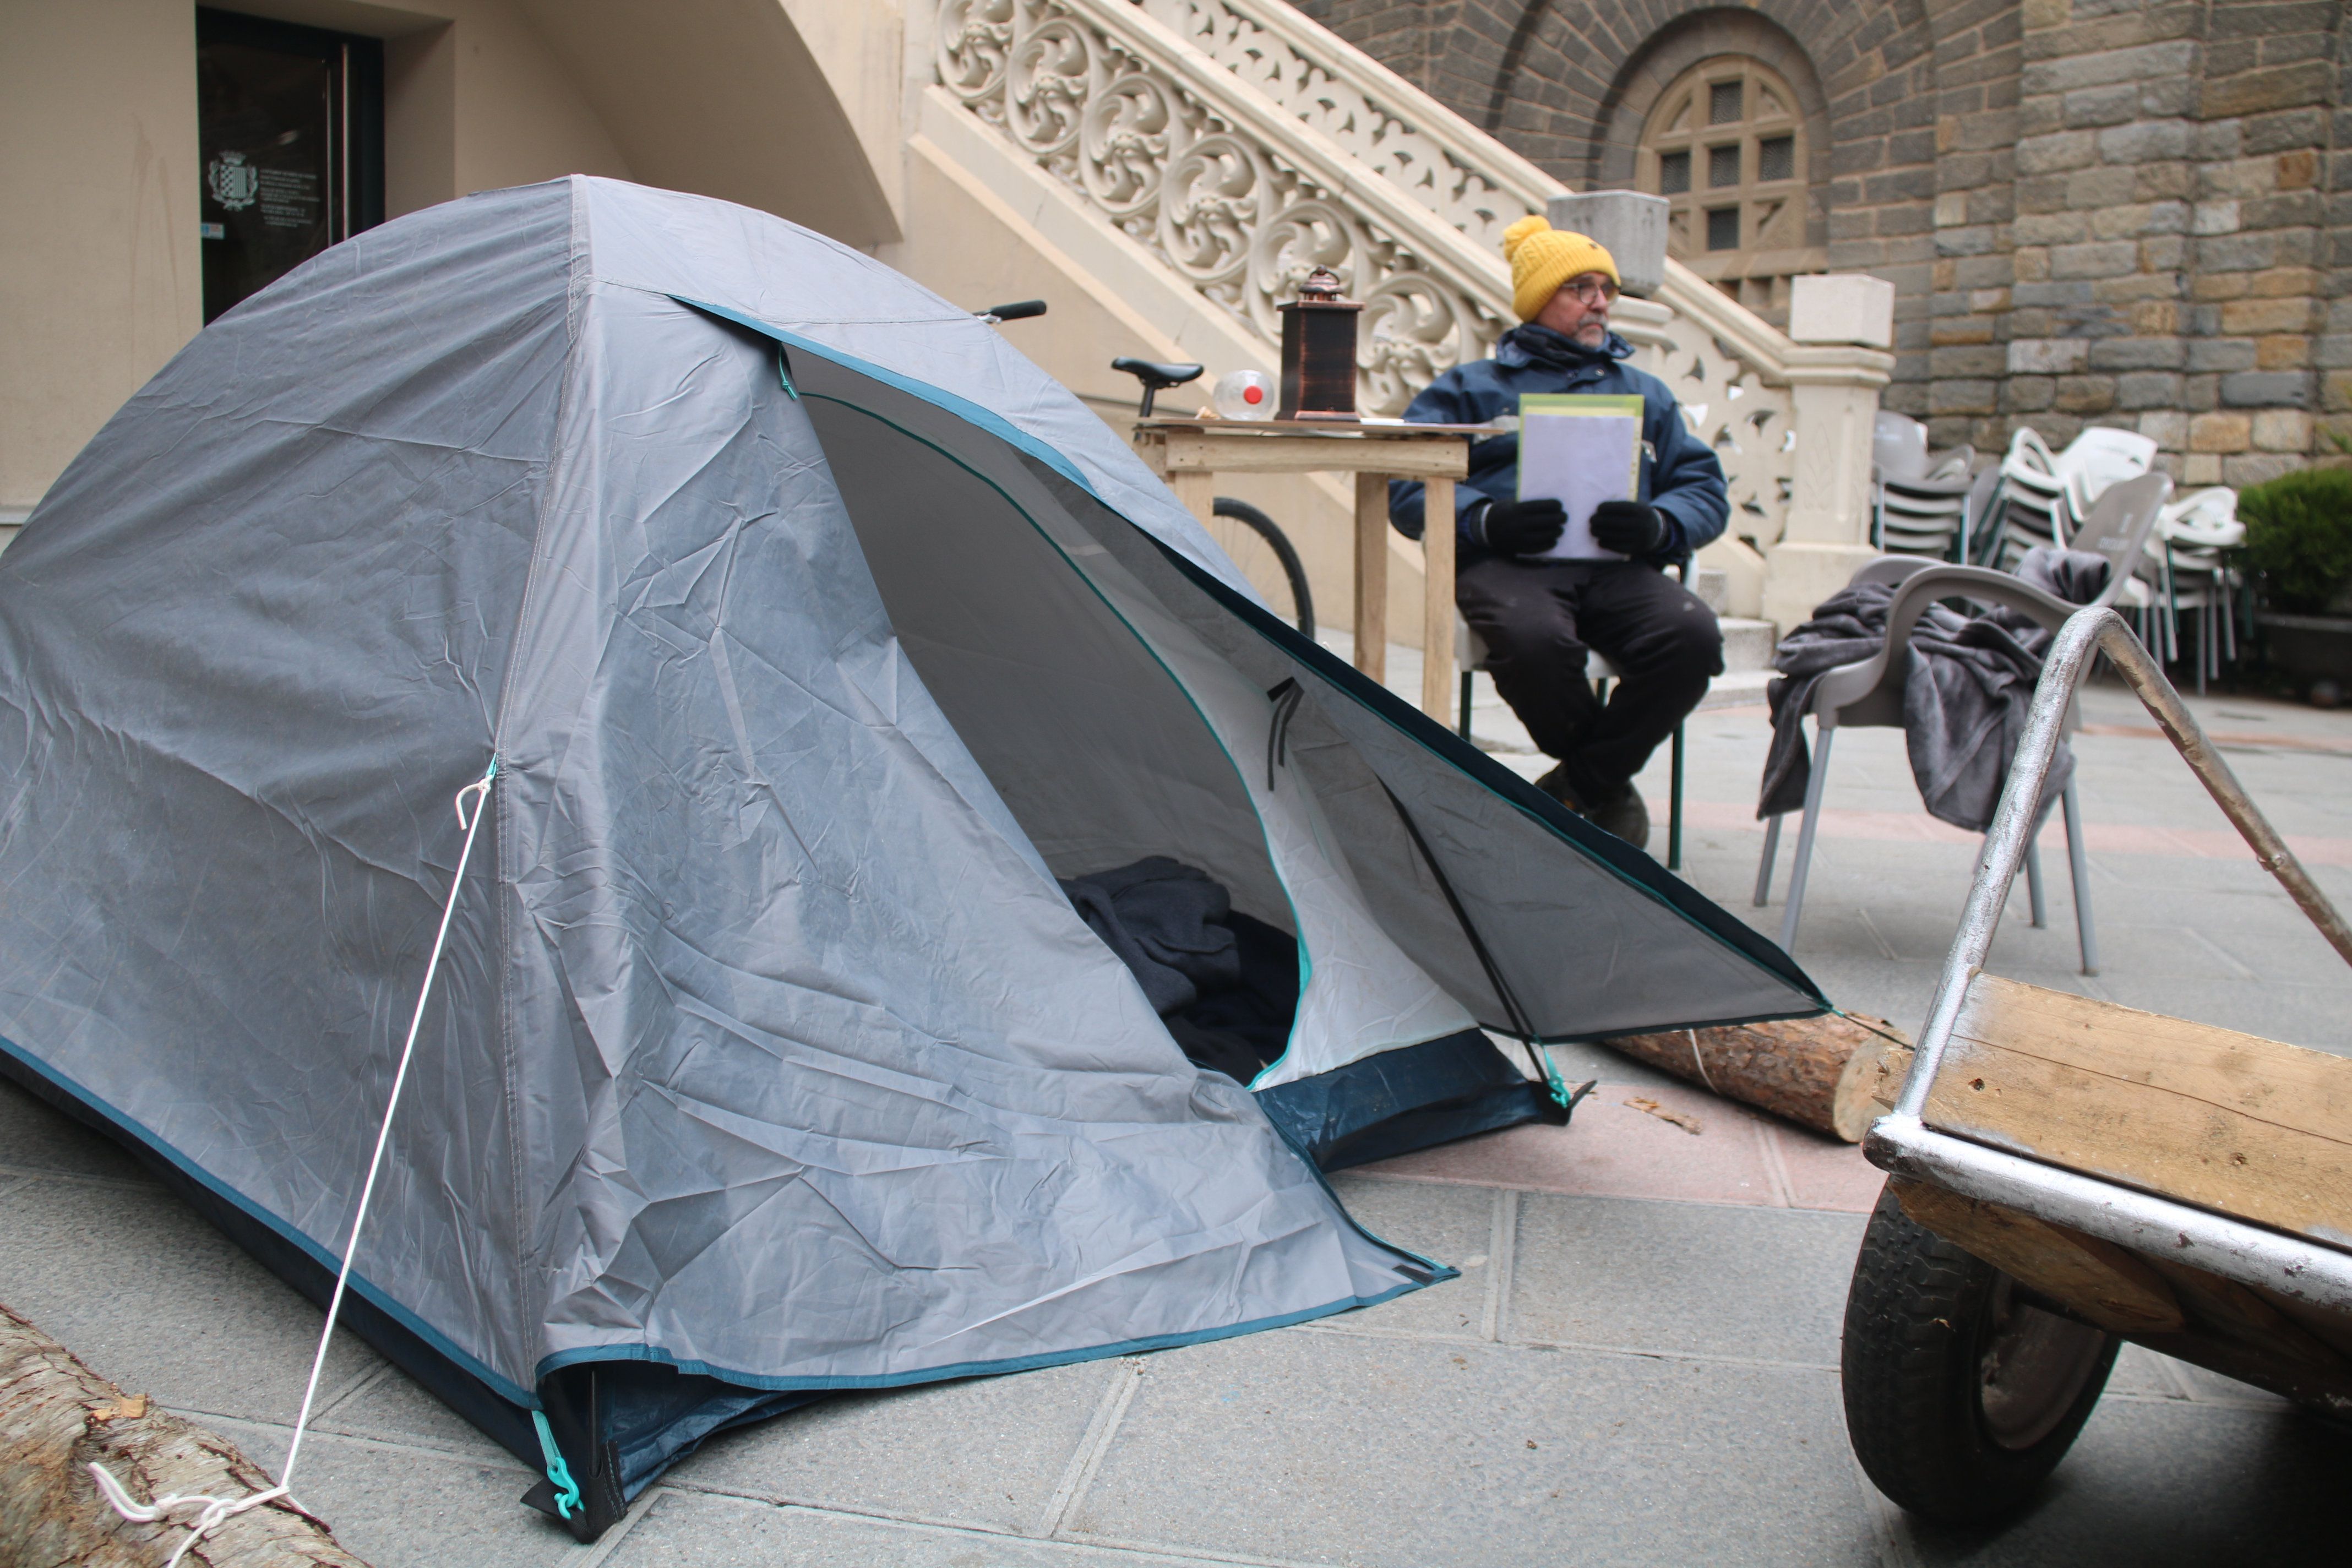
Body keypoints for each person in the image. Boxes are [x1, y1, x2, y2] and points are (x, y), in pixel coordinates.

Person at [1390, 216, 1727, 848]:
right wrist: (1489, 519)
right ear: (1538, 299)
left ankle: (1577, 788)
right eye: (1581, 287)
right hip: (1510, 566)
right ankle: (1605, 787)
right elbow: (1406, 484)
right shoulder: (1468, 390)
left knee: (1692, 636)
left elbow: (1705, 489)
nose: (1601, 301)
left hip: (1618, 566)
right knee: (1532, 639)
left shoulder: (1646, 394)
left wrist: (1660, 525)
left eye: (1606, 288)